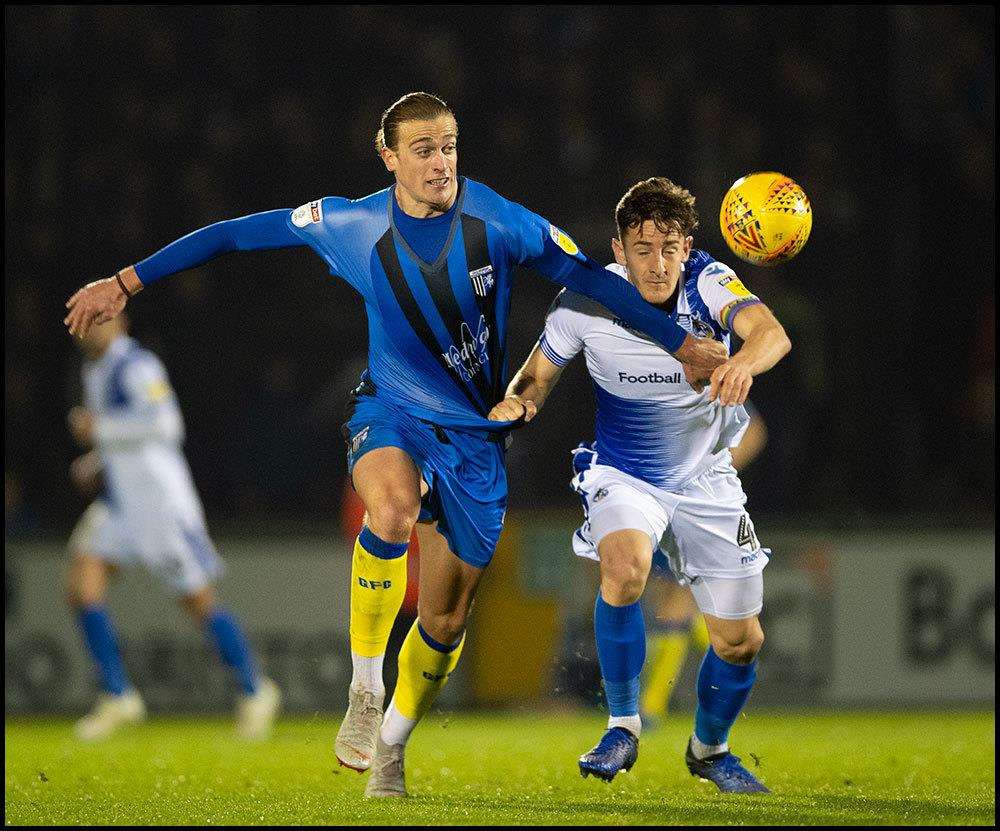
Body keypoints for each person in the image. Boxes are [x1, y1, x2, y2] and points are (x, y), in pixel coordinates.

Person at [63, 93, 727, 796]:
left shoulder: (499, 220)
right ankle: (363, 689)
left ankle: (391, 744)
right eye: (423, 149)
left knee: (444, 621)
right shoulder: (348, 223)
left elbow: (591, 281)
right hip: (392, 411)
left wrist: (679, 341)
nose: (440, 162)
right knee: (391, 511)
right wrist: (126, 279)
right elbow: (232, 235)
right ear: (388, 157)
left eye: (448, 146)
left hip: (475, 438)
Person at [499, 177, 790, 793]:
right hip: (623, 471)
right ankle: (624, 725)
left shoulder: (709, 285)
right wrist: (514, 407)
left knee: (740, 641)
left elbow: (772, 334)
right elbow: (535, 377)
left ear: (687, 247)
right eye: (642, 248)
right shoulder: (585, 298)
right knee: (625, 570)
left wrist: (740, 361)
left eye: (669, 248)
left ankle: (710, 749)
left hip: (708, 476)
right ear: (619, 248)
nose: (657, 264)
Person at [65, 314, 280, 741]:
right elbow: (127, 441)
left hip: (159, 505)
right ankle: (117, 694)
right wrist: (96, 460)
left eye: (100, 319)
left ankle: (256, 689)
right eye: (87, 322)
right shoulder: (96, 370)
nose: (93, 329)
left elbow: (166, 425)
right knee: (81, 585)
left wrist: (100, 432)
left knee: (196, 601)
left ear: (121, 322)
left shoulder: (138, 366)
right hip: (121, 504)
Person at [640, 406, 767, 725]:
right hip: (666, 499)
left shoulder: (710, 378)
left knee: (677, 601)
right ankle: (737, 676)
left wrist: (710, 471)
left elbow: (754, 432)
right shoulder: (661, 379)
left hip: (698, 504)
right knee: (677, 601)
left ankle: (653, 706)